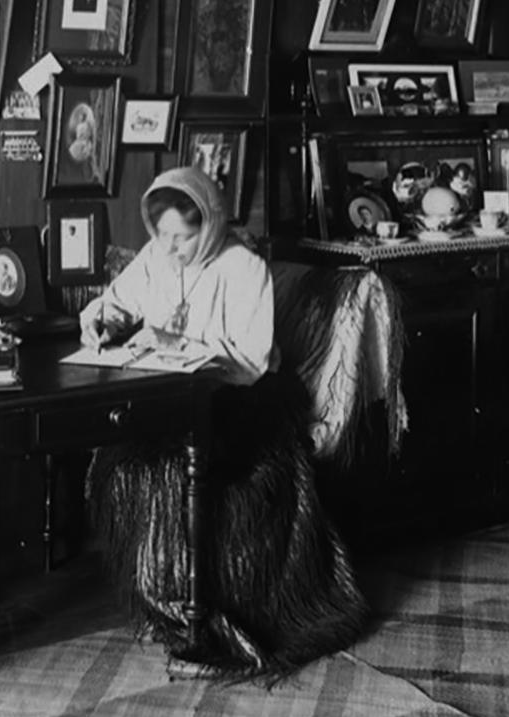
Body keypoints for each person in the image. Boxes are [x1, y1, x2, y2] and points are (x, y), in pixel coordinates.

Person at [80, 166, 368, 679]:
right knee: (123, 462)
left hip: (249, 400)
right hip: (181, 396)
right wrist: (104, 317)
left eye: (184, 238)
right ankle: (165, 603)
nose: (171, 249)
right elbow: (120, 300)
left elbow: (252, 360)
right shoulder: (156, 258)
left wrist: (176, 344)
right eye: (163, 235)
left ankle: (209, 625)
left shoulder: (243, 267)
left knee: (184, 471)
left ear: (210, 224)